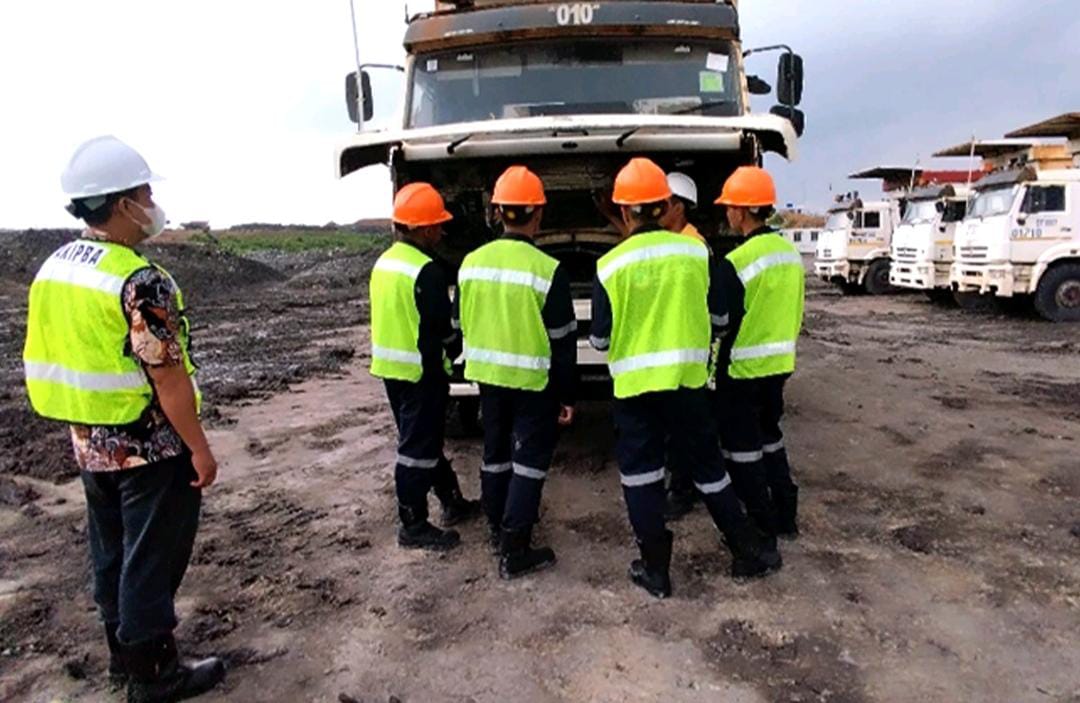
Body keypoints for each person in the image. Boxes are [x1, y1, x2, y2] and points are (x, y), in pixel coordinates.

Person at [23, 135, 225, 702]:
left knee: (111, 553)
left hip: (88, 441)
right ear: (119, 203)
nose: (152, 201)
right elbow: (167, 376)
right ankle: (154, 673)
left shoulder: (55, 268)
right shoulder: (140, 280)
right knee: (150, 559)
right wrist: (200, 449)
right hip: (149, 447)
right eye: (144, 192)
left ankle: (121, 658)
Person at [589, 157, 781, 599]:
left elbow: (599, 341)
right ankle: (744, 551)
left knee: (641, 476)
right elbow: (719, 318)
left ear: (624, 212)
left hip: (634, 393)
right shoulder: (698, 253)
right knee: (709, 469)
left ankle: (655, 571)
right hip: (689, 386)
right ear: (664, 204)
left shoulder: (609, 265)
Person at [454, 165, 576, 579]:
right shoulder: (547, 270)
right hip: (532, 383)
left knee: (495, 454)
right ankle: (515, 547)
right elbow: (562, 342)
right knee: (529, 462)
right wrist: (567, 395)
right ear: (538, 215)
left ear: (497, 212)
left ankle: (494, 526)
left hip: (487, 378)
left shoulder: (470, 263)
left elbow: (459, 322)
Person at [369, 182, 481, 552]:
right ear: (420, 228)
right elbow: (441, 328)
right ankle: (412, 523)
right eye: (436, 225)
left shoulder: (384, 263)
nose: (441, 231)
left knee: (424, 440)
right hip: (421, 371)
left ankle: (452, 502)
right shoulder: (426, 271)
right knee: (416, 448)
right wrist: (460, 354)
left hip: (391, 368)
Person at [713, 166, 805, 540]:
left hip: (742, 371)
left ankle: (759, 521)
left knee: (742, 450)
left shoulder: (737, 262)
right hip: (779, 366)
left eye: (729, 207)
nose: (726, 214)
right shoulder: (790, 254)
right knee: (771, 437)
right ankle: (786, 514)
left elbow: (720, 321)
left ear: (741, 210)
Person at [659, 171, 706, 521]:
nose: (658, 211)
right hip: (678, 352)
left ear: (679, 207)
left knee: (682, 431)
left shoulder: (692, 246)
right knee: (678, 428)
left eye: (663, 204)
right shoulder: (679, 240)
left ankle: (683, 491)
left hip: (684, 354)